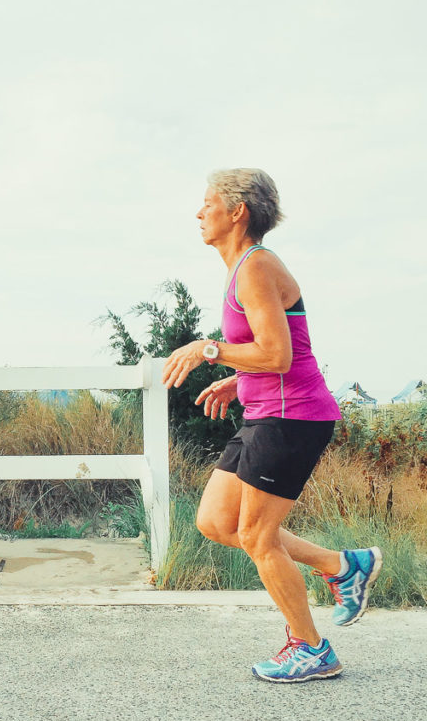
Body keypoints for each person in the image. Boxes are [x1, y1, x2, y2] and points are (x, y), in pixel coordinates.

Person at [161, 168, 382, 683]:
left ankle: (312, 648)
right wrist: (238, 381)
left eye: (207, 203)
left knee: (257, 535)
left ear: (237, 211)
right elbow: (278, 350)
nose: (198, 213)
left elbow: (278, 355)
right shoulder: (242, 268)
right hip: (266, 412)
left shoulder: (256, 267)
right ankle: (341, 565)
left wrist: (208, 350)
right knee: (217, 523)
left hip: (293, 417)